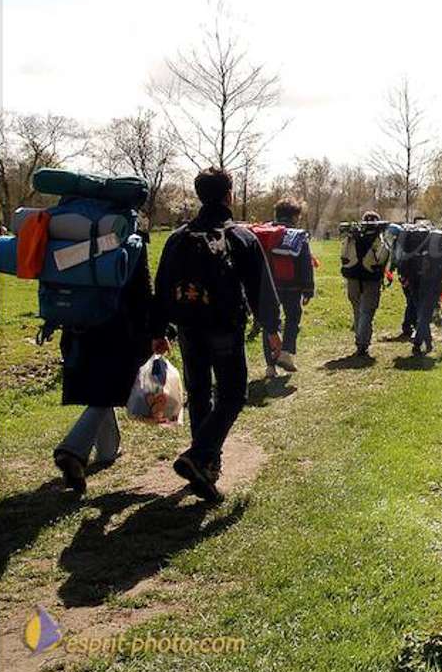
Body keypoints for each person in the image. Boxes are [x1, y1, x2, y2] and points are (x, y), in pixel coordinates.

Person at [151, 167, 281, 503]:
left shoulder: (178, 238)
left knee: (200, 392)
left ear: (199, 195)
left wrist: (158, 329)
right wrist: (272, 327)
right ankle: (200, 456)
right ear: (229, 195)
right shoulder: (240, 237)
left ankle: (206, 466)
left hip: (188, 327)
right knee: (233, 394)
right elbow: (259, 287)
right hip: (224, 326)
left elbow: (162, 286)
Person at [51, 233, 153, 495]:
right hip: (118, 326)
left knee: (103, 385)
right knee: (113, 387)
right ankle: (73, 448)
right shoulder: (130, 239)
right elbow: (141, 292)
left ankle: (108, 450)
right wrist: (152, 330)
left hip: (78, 321)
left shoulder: (75, 234)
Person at [259, 197, 315, 378]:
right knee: (293, 318)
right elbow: (305, 264)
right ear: (295, 216)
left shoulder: (264, 233)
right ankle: (286, 353)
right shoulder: (298, 235)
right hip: (292, 287)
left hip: (268, 285)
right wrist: (308, 289)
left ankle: (270, 366)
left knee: (270, 324)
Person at [340, 210, 389, 358]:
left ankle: (359, 341)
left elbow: (343, 255)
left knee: (357, 311)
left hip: (353, 279)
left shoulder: (352, 237)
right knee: (367, 312)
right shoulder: (379, 239)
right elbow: (383, 259)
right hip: (371, 280)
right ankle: (363, 343)